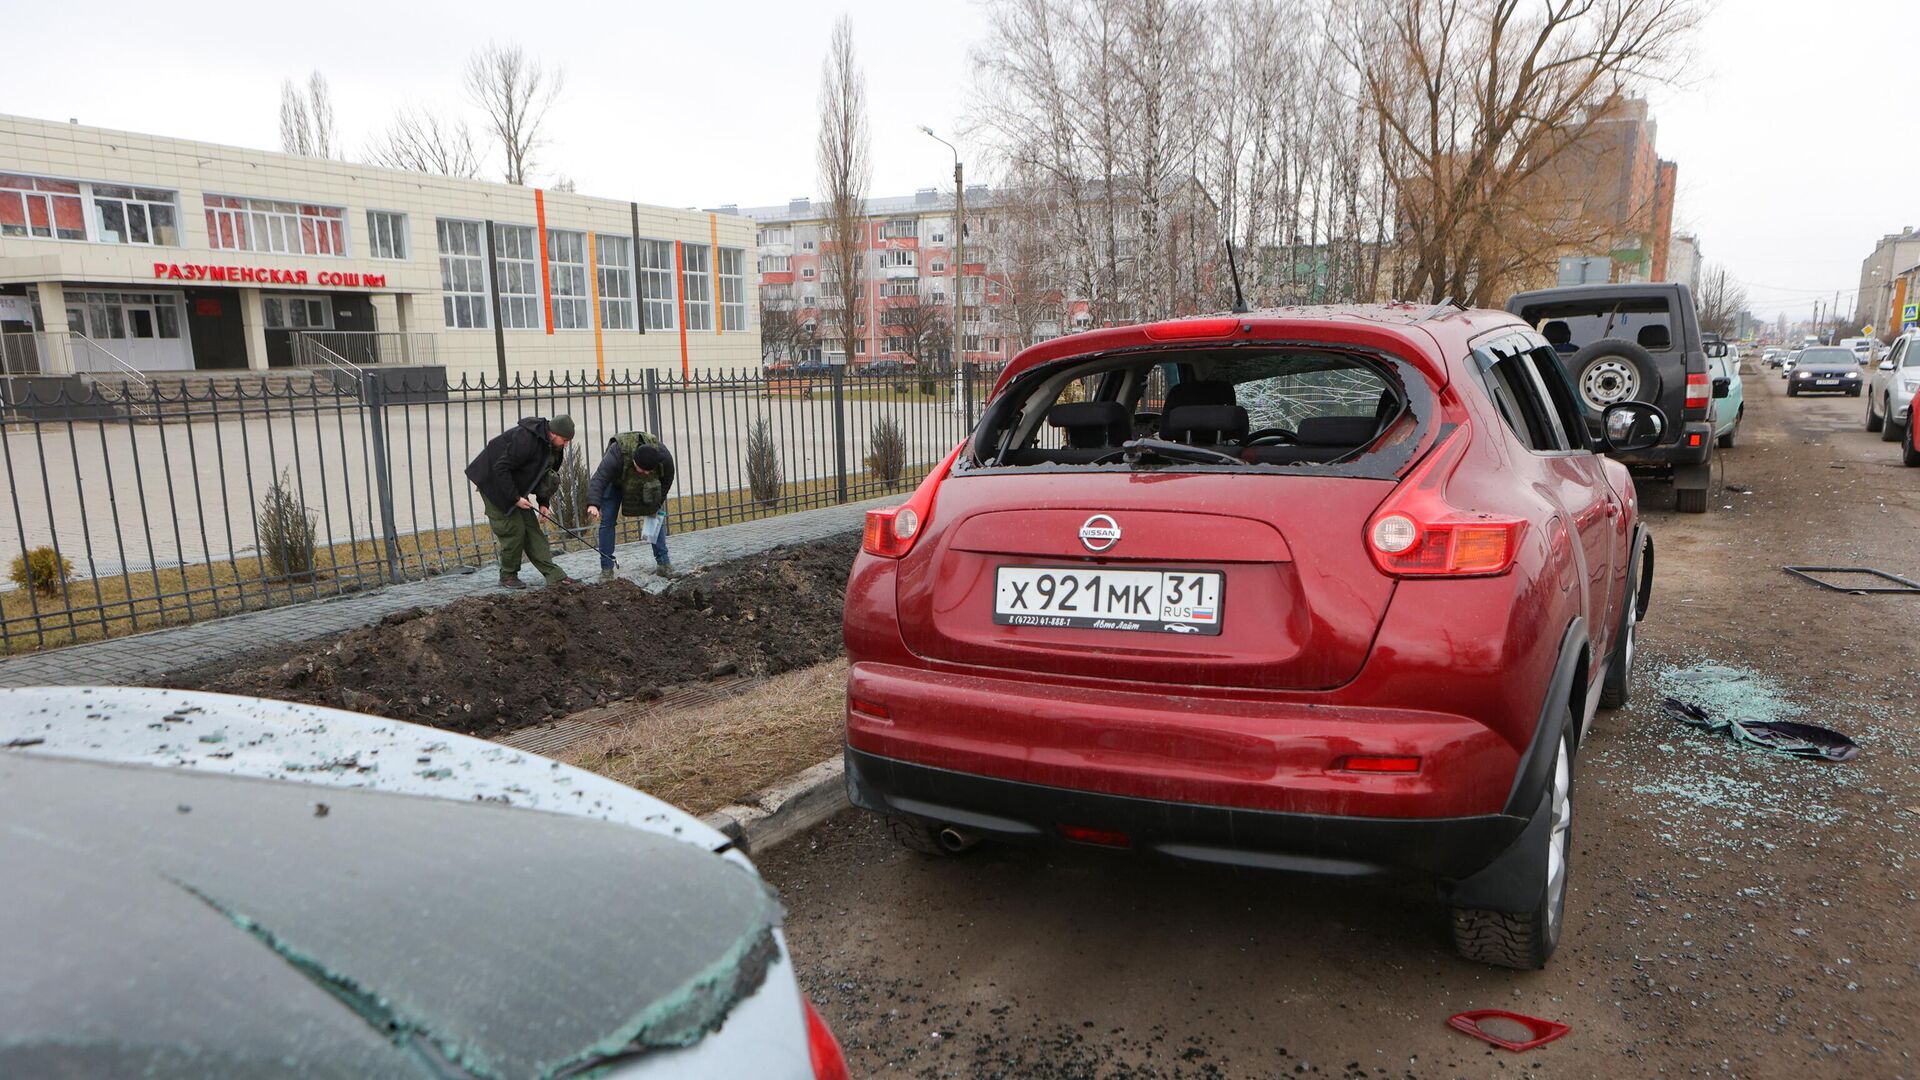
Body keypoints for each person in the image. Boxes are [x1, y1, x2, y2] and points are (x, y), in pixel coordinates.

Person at [465, 415, 578, 589]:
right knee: (513, 530)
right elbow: (500, 468)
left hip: (515, 487)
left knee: (532, 531)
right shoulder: (525, 439)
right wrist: (516, 499)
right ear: (553, 433)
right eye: (564, 440)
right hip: (493, 483)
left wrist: (543, 503)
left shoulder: (555, 448)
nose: (566, 444)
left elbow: (546, 477)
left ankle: (555, 576)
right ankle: (508, 576)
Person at [586, 431, 677, 580]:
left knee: (655, 516)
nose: (646, 473)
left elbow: (667, 480)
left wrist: (657, 502)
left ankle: (664, 565)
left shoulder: (663, 456)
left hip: (646, 487)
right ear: (634, 461)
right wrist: (593, 503)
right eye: (643, 470)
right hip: (615, 483)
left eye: (650, 471)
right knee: (607, 522)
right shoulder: (616, 455)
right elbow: (600, 477)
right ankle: (606, 570)